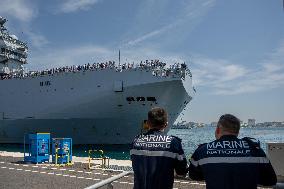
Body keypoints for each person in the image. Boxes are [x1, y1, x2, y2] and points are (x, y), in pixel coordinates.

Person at [188, 114, 277, 189]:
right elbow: (270, 180)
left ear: (218, 129)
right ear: (237, 131)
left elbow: (193, 175)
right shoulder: (255, 150)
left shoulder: (203, 150)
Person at [131, 107, 187, 189]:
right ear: (166, 124)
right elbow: (181, 171)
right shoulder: (173, 142)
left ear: (148, 123)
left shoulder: (136, 141)